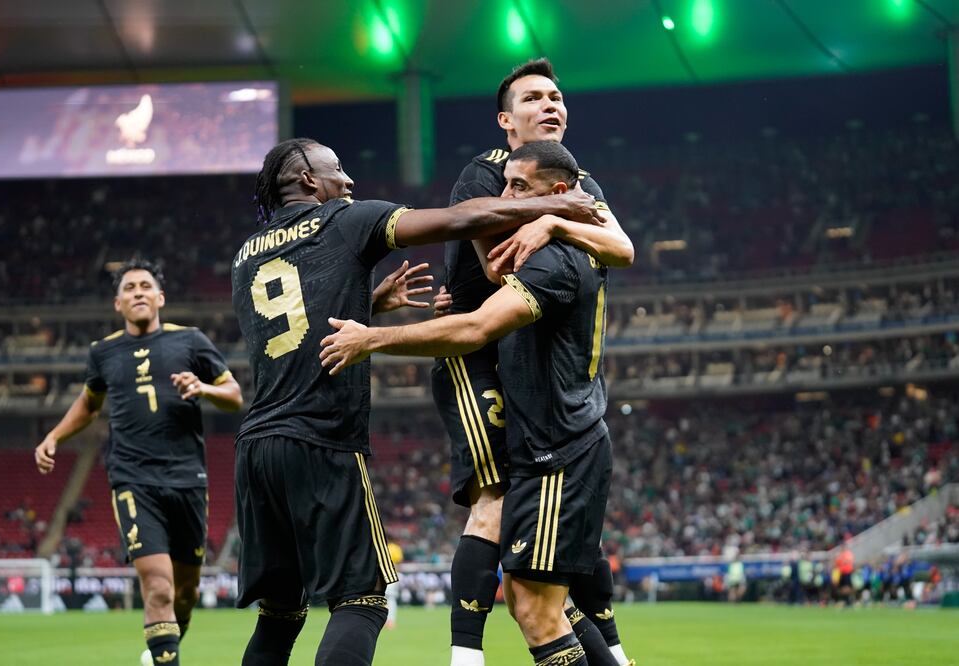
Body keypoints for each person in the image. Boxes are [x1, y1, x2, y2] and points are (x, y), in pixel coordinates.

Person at [231, 137, 602, 666]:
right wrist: (555, 206)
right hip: (319, 439)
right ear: (309, 179)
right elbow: (459, 219)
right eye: (337, 168)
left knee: (280, 614)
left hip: (255, 447)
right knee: (361, 603)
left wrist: (366, 303)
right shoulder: (345, 219)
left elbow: (288, 333)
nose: (349, 180)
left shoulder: (246, 254)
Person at [433, 57, 634, 666]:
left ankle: (611, 651)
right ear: (506, 120)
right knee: (494, 502)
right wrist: (554, 219)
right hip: (477, 353)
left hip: (540, 364)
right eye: (535, 98)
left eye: (557, 96)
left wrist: (554, 218)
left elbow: (621, 247)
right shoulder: (481, 176)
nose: (552, 105)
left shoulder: (580, 185)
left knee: (553, 536)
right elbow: (500, 266)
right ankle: (465, 654)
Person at [34, 259, 243, 666]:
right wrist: (54, 436)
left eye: (145, 286)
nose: (138, 293)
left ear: (160, 297)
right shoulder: (103, 352)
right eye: (129, 288)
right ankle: (166, 656)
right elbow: (88, 404)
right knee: (159, 588)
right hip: (133, 479)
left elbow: (234, 394)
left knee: (184, 593)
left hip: (187, 479)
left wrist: (202, 387)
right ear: (118, 303)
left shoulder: (192, 341)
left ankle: (163, 650)